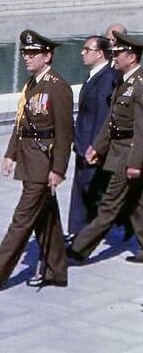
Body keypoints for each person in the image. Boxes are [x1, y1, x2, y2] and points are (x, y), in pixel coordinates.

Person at [0, 30, 73, 293]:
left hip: (43, 162)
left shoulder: (57, 86)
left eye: (32, 54)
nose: (27, 58)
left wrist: (58, 169)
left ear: (47, 56)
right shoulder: (32, 84)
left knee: (22, 219)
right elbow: (22, 125)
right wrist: (11, 154)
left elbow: (64, 132)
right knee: (46, 219)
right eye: (24, 53)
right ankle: (56, 270)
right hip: (29, 160)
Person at [68, 32, 143, 264]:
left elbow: (142, 129)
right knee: (136, 202)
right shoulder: (123, 81)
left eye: (118, 53)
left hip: (129, 152)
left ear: (131, 57)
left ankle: (79, 249)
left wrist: (135, 162)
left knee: (110, 203)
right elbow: (111, 120)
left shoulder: (139, 85)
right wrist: (97, 148)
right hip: (119, 149)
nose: (114, 57)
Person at [67, 36, 120, 241]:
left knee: (91, 190)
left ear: (100, 54)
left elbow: (102, 117)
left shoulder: (107, 78)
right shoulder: (94, 76)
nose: (82, 53)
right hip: (83, 143)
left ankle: (84, 235)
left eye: (87, 49)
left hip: (91, 145)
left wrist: (95, 147)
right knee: (82, 188)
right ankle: (78, 231)